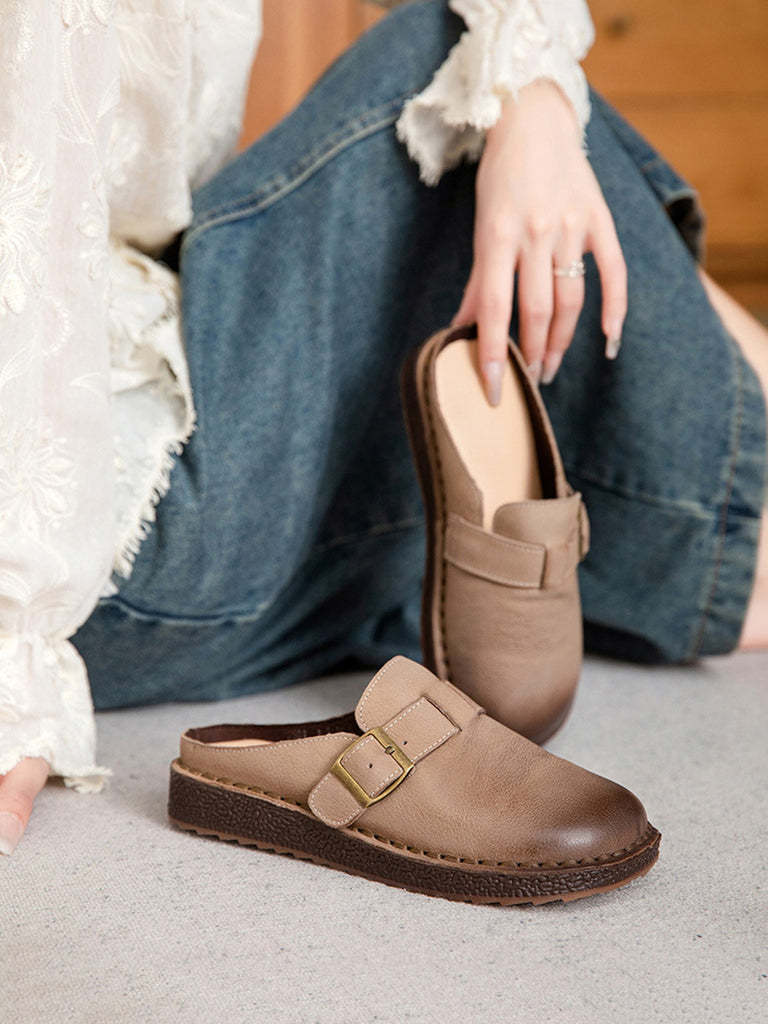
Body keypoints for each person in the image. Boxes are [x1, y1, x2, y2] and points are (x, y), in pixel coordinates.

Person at [1, 0, 767, 860]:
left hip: (132, 520)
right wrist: (14, 668)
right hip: (92, 528)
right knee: (448, 66)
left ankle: (693, 545)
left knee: (516, 110)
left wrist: (536, 116)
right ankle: (707, 536)